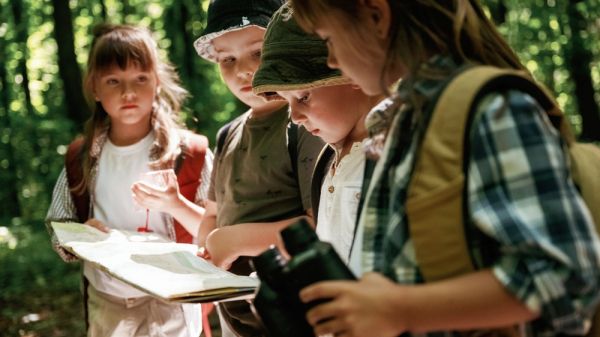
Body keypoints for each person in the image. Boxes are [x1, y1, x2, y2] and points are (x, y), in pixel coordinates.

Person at [288, 0, 600, 336]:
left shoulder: (492, 109)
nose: (331, 60)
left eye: (328, 40)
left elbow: (564, 277)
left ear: (376, 16)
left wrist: (398, 309)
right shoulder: (400, 122)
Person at [46, 23, 211, 337]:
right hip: (108, 300)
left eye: (140, 78)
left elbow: (215, 230)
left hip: (173, 297)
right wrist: (79, 237)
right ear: (95, 88)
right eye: (113, 81)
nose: (128, 93)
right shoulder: (82, 158)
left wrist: (176, 206)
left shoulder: (189, 153)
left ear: (157, 82)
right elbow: (58, 225)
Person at [193, 0, 324, 335]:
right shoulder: (226, 135)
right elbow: (213, 213)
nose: (244, 71)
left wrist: (234, 241)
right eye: (228, 59)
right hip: (233, 315)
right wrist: (206, 247)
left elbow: (320, 226)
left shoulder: (307, 123)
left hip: (292, 314)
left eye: (257, 52)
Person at [252, 3, 383, 268]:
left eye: (303, 97)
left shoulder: (395, 150)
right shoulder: (326, 161)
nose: (295, 117)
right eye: (287, 102)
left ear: (349, 70)